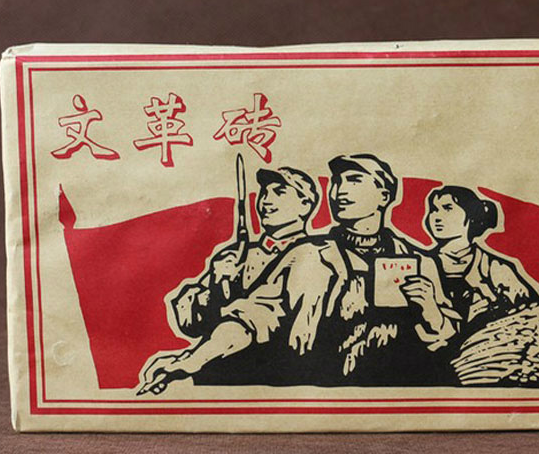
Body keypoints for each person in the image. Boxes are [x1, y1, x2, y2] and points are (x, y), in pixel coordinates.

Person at [139, 154, 459, 392]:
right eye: (337, 182)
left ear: (384, 196)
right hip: (326, 396)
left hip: (397, 397)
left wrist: (431, 310)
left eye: (354, 180)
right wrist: (194, 359)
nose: (339, 190)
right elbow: (255, 315)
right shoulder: (309, 254)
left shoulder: (420, 261)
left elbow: (448, 335)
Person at [170, 166, 319, 340]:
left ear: (305, 205)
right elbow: (191, 325)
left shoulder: (317, 255)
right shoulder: (235, 255)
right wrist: (217, 285)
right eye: (264, 192)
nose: (266, 201)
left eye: (279, 192)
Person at [423, 185, 539, 334]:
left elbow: (531, 311)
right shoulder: (420, 263)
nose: (437, 216)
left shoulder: (496, 268)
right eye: (434, 209)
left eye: (447, 208)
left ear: (471, 215)